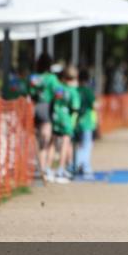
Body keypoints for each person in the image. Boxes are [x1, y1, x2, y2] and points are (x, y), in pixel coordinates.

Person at [28, 53, 59, 183]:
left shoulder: (33, 77)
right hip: (47, 108)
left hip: (35, 107)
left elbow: (29, 92)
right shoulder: (52, 78)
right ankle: (45, 169)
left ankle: (40, 168)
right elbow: (58, 93)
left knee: (38, 139)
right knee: (47, 141)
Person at [49, 66, 81, 184]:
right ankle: (61, 170)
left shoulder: (59, 89)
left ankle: (48, 169)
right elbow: (75, 108)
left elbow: (54, 102)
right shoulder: (74, 92)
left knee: (52, 142)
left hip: (56, 117)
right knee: (65, 143)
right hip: (67, 120)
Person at [73, 68, 97, 179]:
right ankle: (84, 166)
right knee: (87, 144)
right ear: (87, 79)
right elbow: (94, 105)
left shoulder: (75, 90)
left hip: (76, 121)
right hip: (87, 121)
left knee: (78, 145)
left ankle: (77, 165)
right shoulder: (88, 91)